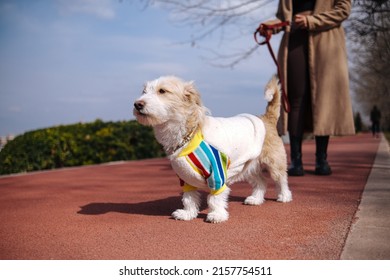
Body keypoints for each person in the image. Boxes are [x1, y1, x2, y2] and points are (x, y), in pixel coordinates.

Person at [259, 0, 355, 176]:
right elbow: (283, 18)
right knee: (295, 97)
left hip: (326, 42)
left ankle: (322, 159)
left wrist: (311, 20)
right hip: (294, 40)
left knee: (323, 99)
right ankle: (296, 161)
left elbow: (343, 11)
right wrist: (270, 26)